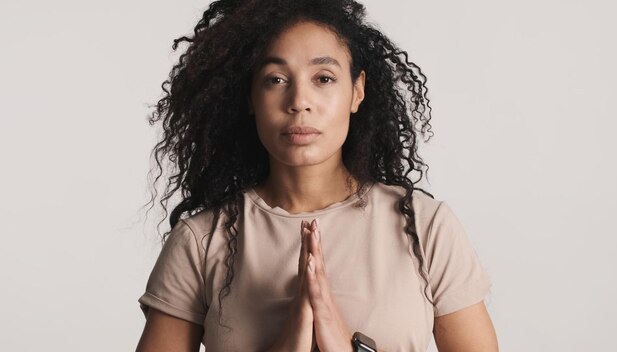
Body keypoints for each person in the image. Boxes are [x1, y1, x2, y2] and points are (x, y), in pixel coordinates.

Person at [135, 0, 498, 351]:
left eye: (323, 78)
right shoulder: (200, 241)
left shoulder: (425, 228)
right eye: (275, 79)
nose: (299, 101)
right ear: (250, 98)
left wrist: (345, 347)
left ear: (357, 91)